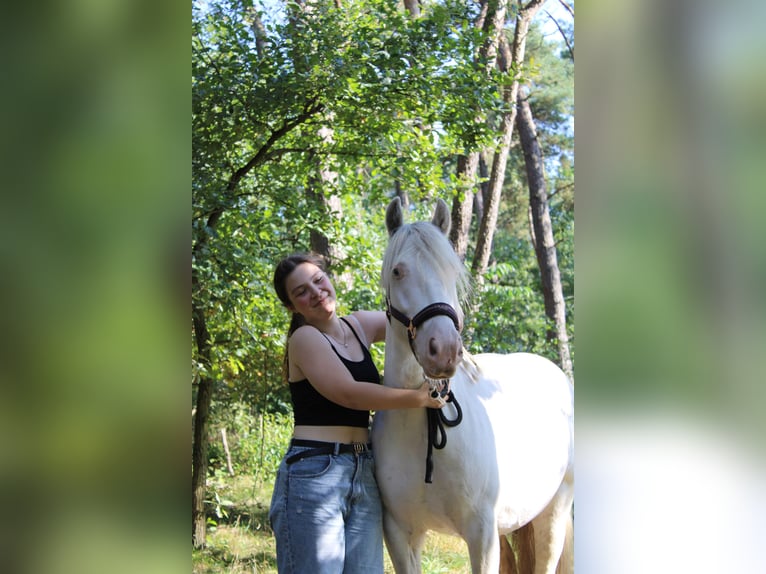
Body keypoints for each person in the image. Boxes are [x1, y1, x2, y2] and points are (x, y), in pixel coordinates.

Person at [269, 252, 446, 574]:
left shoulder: (359, 325)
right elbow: (348, 394)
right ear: (292, 307)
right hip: (314, 472)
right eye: (301, 292)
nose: (316, 292)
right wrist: (418, 397)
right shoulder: (305, 338)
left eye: (318, 280)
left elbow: (410, 319)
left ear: (329, 279)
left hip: (363, 468)